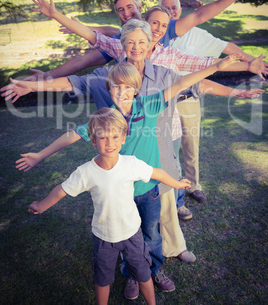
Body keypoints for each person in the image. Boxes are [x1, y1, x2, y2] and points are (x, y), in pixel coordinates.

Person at [2, 20, 260, 299]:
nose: (122, 94)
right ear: (109, 88)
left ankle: (152, 269)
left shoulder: (149, 104)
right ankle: (133, 274)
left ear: (137, 89)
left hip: (148, 188)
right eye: (116, 89)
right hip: (121, 190)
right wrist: (39, 153)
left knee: (151, 233)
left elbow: (185, 81)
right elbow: (73, 132)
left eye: (128, 89)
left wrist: (218, 67)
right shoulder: (107, 118)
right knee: (128, 234)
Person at [25, 0, 266, 222]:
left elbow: (199, 71)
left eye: (163, 26)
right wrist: (55, 17)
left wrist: (243, 70)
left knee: (166, 174)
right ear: (145, 23)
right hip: (125, 133)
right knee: (134, 181)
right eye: (154, 24)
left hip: (163, 126)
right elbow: (94, 38)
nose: (158, 30)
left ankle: (174, 208)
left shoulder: (169, 58)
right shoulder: (124, 50)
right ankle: (135, 222)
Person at [28, 106, 192, 305]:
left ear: (123, 138)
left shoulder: (131, 163)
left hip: (132, 234)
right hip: (104, 236)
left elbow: (158, 173)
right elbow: (61, 190)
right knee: (102, 278)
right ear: (93, 140)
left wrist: (177, 183)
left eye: (115, 137)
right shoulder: (86, 172)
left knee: (143, 273)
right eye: (103, 138)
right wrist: (42, 205)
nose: (109, 143)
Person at [23, 0, 257, 82]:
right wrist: (48, 76)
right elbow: (83, 59)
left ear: (141, 8)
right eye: (120, 10)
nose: (126, 14)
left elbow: (199, 16)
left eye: (130, 7)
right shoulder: (120, 42)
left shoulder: (164, 28)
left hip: (171, 97)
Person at [158, 0, 267, 207]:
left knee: (191, 143)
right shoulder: (156, 35)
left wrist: (250, 61)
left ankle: (193, 185)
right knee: (166, 146)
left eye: (173, 8)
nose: (171, 11)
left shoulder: (196, 34)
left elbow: (227, 49)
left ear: (180, 11)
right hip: (162, 102)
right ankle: (170, 189)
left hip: (188, 97)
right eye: (166, 8)